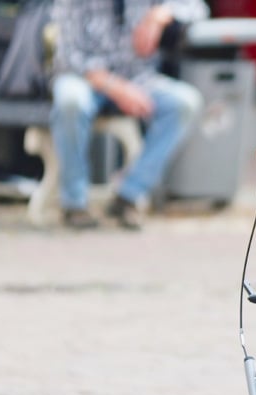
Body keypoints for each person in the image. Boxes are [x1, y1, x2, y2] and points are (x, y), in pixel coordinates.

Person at [50, 0, 209, 230]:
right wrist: (117, 88)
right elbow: (68, 55)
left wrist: (159, 14)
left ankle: (128, 195)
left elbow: (197, 7)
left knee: (185, 103)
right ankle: (74, 204)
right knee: (70, 101)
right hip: (84, 78)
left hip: (137, 77)